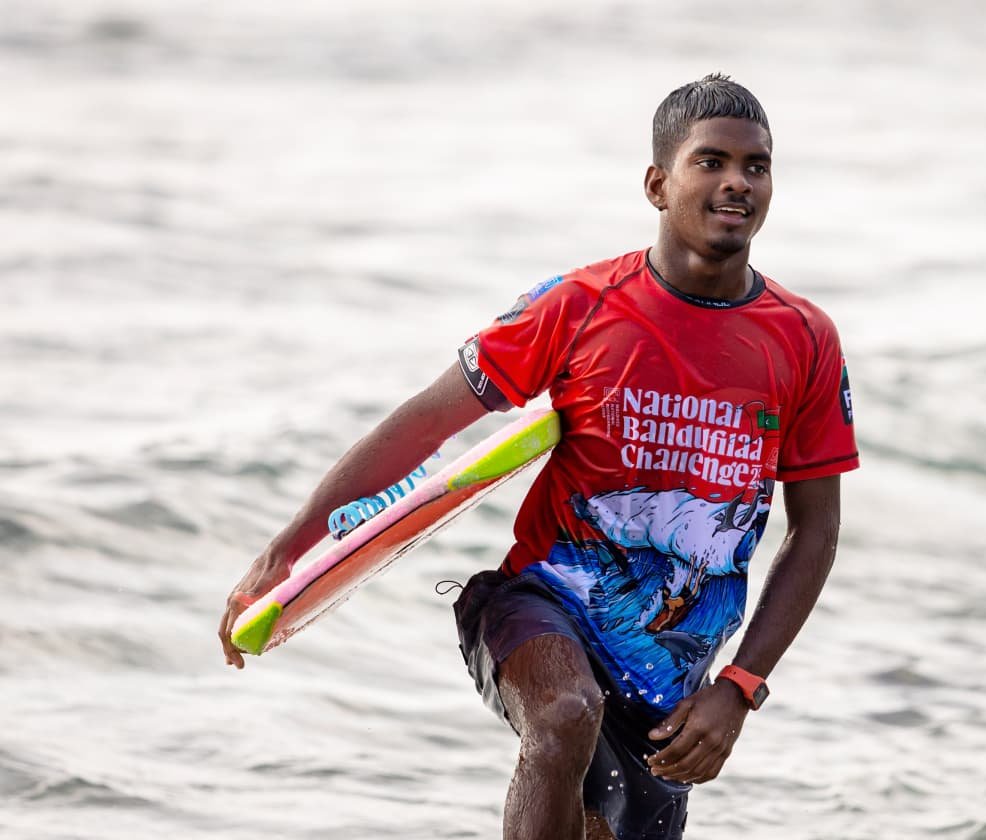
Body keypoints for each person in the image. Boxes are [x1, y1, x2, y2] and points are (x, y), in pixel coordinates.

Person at [218, 73, 860, 840]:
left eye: (756, 166)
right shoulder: (580, 306)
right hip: (538, 609)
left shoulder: (804, 339)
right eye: (710, 161)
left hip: (668, 679)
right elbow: (423, 426)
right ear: (657, 185)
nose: (737, 182)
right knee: (564, 714)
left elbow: (814, 531)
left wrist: (741, 685)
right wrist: (289, 551)